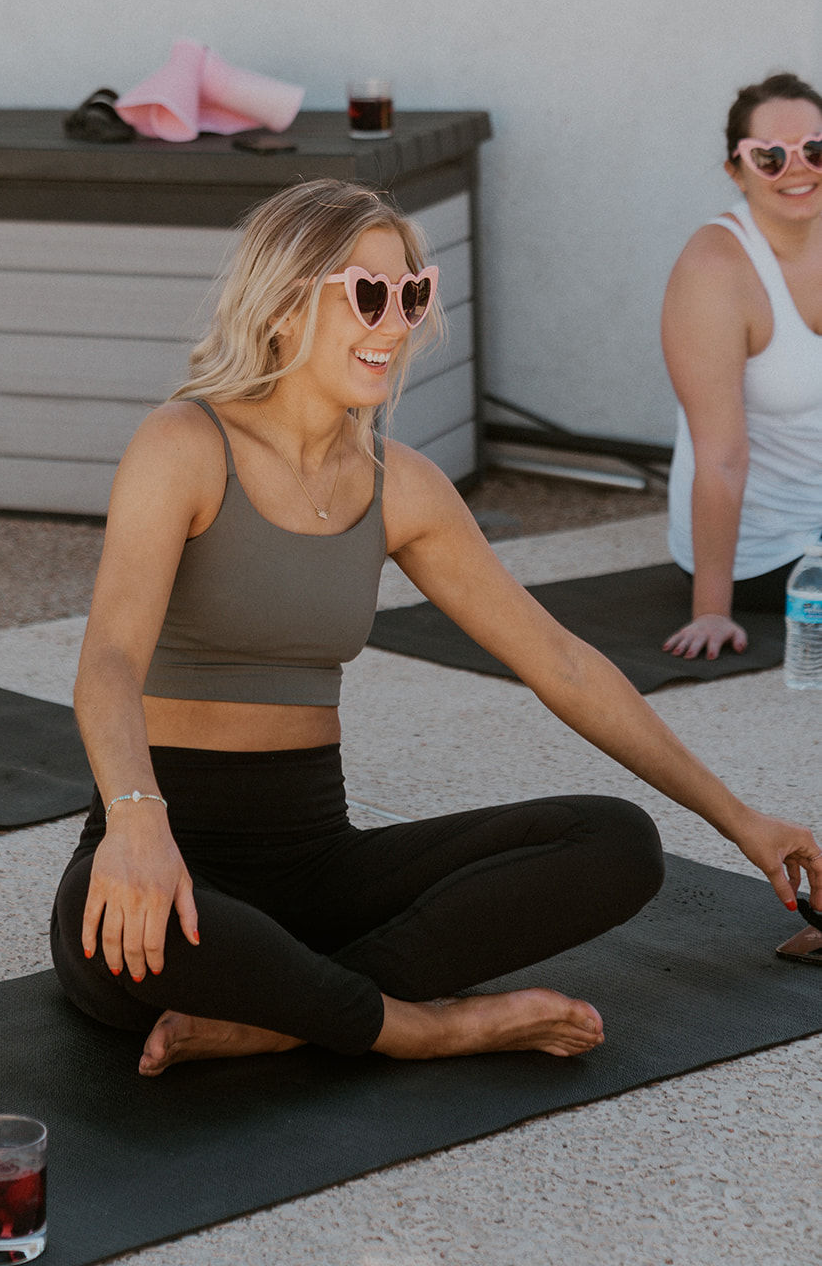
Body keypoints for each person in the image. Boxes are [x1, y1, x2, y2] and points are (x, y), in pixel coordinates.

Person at [51, 178, 822, 1077]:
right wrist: (136, 825)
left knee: (616, 843)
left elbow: (562, 665)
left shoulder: (402, 486)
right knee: (121, 950)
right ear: (282, 302)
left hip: (315, 865)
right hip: (170, 843)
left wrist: (738, 818)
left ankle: (288, 1013)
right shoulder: (182, 444)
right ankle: (430, 1027)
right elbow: (106, 659)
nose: (394, 323)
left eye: (411, 296)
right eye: (368, 294)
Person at [662, 72, 822, 661]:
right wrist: (711, 609)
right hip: (767, 547)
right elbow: (722, 456)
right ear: (736, 169)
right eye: (770, 157)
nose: (798, 168)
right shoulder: (716, 271)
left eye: (816, 149)